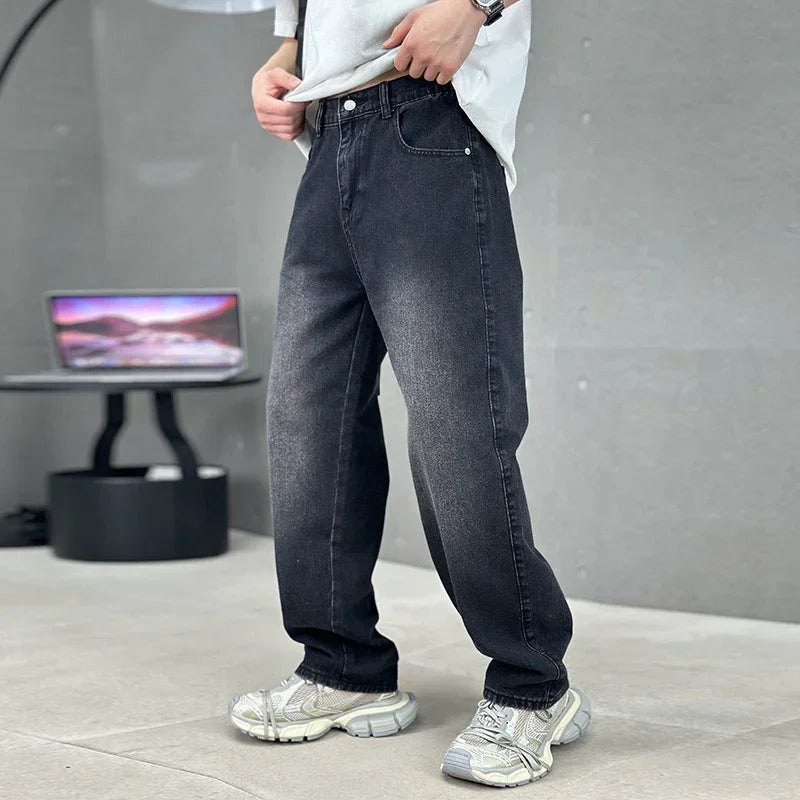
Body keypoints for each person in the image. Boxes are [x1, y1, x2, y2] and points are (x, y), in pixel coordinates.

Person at [228, 0, 591, 787]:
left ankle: (533, 683)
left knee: (457, 427)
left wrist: (475, 5)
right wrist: (285, 58)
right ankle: (343, 665)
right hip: (329, 136)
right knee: (306, 420)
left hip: (428, 124)